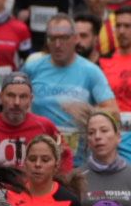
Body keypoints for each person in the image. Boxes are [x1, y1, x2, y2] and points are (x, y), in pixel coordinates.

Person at [22, 13, 118, 143]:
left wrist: (90, 111)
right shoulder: (32, 67)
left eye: (63, 38)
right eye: (52, 38)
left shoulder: (91, 71)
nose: (57, 44)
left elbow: (114, 113)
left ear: (75, 38)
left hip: (77, 156)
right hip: (39, 152)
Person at [0, 71, 67, 170]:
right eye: (11, 95)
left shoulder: (45, 126)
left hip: (33, 192)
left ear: (31, 100)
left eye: (23, 97)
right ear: (0, 98)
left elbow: (65, 157)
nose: (17, 103)